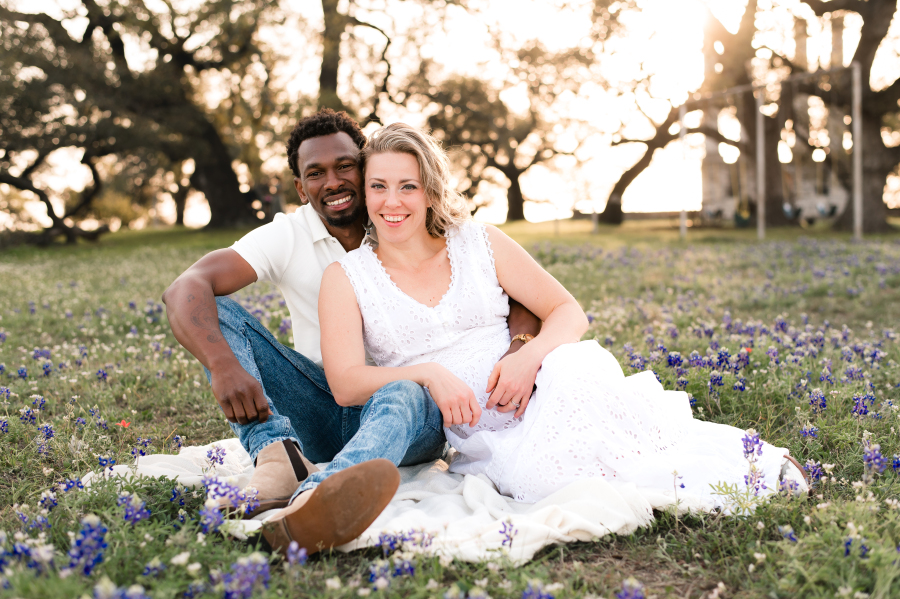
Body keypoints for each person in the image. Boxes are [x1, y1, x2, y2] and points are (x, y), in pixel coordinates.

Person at [318, 122, 809, 512]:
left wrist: (528, 357)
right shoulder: (347, 277)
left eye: (408, 185)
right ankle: (737, 473)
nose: (392, 202)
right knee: (552, 476)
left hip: (537, 380)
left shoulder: (477, 241)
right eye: (378, 186)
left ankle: (751, 464)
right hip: (479, 428)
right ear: (364, 193)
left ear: (429, 190)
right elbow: (345, 384)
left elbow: (568, 311)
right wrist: (428, 373)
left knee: (588, 393)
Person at [162, 109, 541, 555]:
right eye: (316, 174)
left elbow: (501, 292)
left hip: (411, 411)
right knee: (216, 310)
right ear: (301, 189)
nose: (334, 182)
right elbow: (184, 288)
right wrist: (222, 364)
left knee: (402, 391)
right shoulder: (288, 235)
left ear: (366, 170)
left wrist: (519, 348)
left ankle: (318, 498)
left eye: (345, 166)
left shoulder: (405, 218)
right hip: (322, 404)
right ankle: (278, 455)